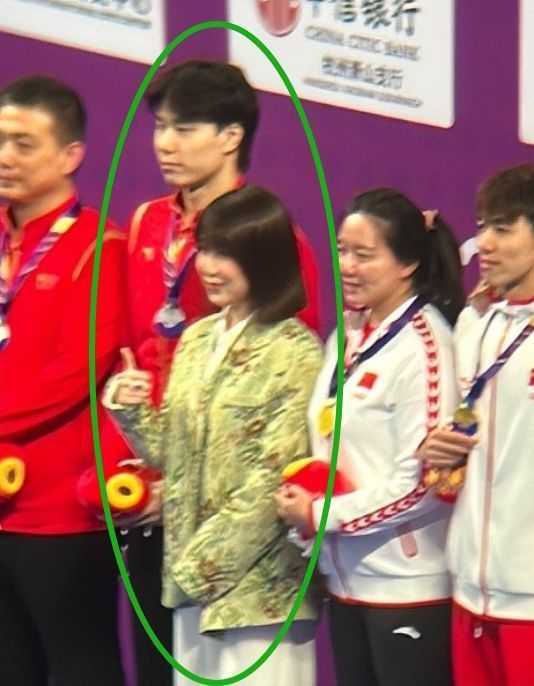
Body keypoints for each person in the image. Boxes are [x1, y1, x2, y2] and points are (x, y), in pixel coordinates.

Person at [121, 59, 321, 685]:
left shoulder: (278, 244)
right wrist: (131, 427)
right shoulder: (148, 224)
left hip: (239, 553)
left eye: (183, 129)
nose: (164, 143)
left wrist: (196, 554)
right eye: (159, 126)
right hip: (163, 510)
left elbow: (284, 445)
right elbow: (133, 356)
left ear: (231, 136)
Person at [419, 164, 534, 686]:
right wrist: (438, 448)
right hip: (471, 588)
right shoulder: (475, 324)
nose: (484, 243)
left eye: (503, 230)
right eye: (483, 227)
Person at [277, 188, 464, 686]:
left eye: (364, 255)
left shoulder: (425, 348)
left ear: (407, 264)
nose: (347, 267)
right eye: (342, 250)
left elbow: (424, 485)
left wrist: (320, 515)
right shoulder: (349, 335)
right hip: (346, 583)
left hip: (407, 588)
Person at [0, 75, 127, 685]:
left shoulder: (100, 246)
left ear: (70, 155)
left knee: (82, 665)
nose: (6, 157)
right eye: (1, 141)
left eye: (24, 144)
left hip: (60, 511)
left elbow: (76, 371)